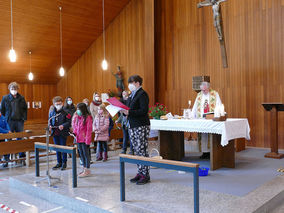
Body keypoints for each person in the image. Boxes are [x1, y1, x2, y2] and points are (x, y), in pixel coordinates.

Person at [121, 75, 151, 185]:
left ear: (137, 83)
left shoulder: (142, 94)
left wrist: (129, 112)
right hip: (132, 125)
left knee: (142, 149)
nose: (130, 85)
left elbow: (144, 110)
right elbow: (128, 108)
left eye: (131, 82)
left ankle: (145, 174)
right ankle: (140, 172)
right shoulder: (131, 95)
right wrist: (122, 110)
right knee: (136, 150)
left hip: (141, 125)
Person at [191, 81, 222, 159]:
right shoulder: (199, 95)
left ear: (208, 88)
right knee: (202, 136)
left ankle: (212, 152)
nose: (203, 92)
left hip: (211, 119)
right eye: (202, 90)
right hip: (201, 119)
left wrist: (218, 115)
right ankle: (204, 152)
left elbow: (219, 105)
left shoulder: (214, 94)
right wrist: (192, 115)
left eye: (204, 90)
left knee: (210, 136)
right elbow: (195, 106)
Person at [0, 82, 27, 163]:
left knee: (20, 139)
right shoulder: (5, 98)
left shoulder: (22, 98)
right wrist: (5, 120)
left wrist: (24, 118)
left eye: (15, 89)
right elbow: (2, 110)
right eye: (12, 89)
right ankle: (6, 158)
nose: (14, 90)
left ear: (17, 89)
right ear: (9, 89)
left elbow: (25, 109)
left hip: (19, 121)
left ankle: (22, 157)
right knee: (8, 139)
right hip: (9, 121)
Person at [49, 96, 71, 170]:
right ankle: (59, 162)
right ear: (54, 104)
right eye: (57, 104)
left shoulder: (66, 112)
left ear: (62, 103)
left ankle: (64, 162)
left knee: (63, 147)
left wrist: (63, 125)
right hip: (55, 132)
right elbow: (50, 121)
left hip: (63, 132)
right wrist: (50, 126)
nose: (58, 105)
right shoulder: (52, 112)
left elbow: (69, 122)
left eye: (60, 103)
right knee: (57, 148)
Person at [72, 103, 93, 177]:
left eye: (78, 109)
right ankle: (84, 168)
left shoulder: (88, 117)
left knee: (85, 154)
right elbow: (76, 127)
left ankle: (87, 169)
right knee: (81, 154)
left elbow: (89, 130)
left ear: (83, 109)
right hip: (78, 139)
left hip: (84, 139)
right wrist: (74, 133)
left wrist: (87, 140)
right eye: (77, 109)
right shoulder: (78, 117)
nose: (77, 111)